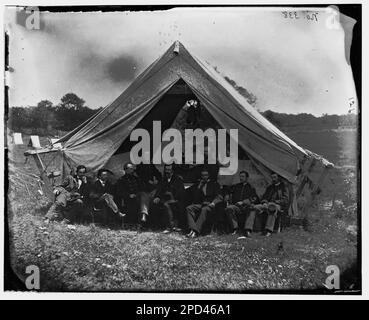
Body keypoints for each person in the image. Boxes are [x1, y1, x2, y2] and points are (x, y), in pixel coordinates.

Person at [185, 167, 223, 238]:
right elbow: (195, 197)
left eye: (205, 175)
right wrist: (199, 187)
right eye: (202, 175)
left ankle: (196, 232)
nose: (204, 177)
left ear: (208, 176)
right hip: (202, 204)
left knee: (204, 210)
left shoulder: (214, 184)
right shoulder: (200, 184)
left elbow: (219, 197)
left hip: (211, 206)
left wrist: (213, 203)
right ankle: (193, 229)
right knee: (189, 208)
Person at [224, 171, 259, 238]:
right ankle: (235, 229)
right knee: (229, 208)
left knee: (252, 209)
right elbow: (228, 190)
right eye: (240, 176)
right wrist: (227, 196)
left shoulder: (251, 187)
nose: (241, 178)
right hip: (237, 207)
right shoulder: (236, 186)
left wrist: (243, 202)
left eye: (243, 176)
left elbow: (254, 198)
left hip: (246, 207)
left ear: (247, 178)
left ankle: (248, 230)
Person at [152, 163, 185, 233]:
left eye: (169, 169)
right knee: (161, 204)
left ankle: (171, 227)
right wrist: (157, 197)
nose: (167, 171)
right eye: (166, 169)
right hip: (164, 199)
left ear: (172, 170)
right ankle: (167, 226)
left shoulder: (178, 179)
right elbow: (159, 190)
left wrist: (174, 198)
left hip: (175, 199)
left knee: (169, 205)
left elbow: (181, 192)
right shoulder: (163, 179)